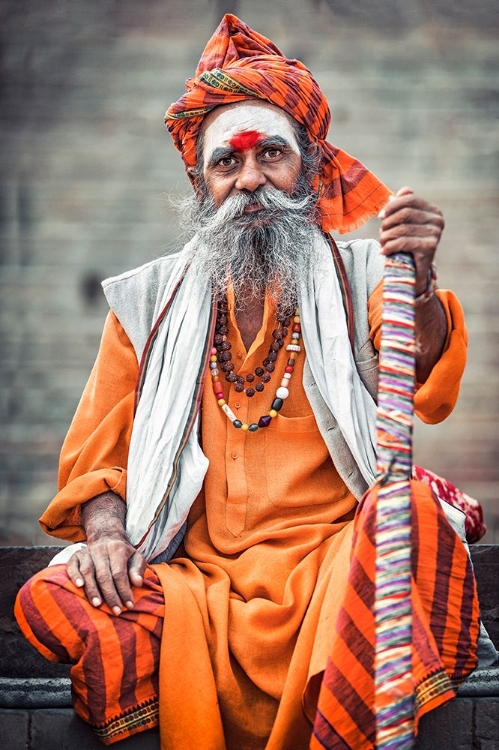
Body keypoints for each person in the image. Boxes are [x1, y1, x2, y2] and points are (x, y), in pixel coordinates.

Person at [15, 14, 490, 750]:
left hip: (335, 572)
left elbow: (422, 377)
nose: (250, 181)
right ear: (201, 185)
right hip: (194, 590)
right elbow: (96, 462)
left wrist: (418, 283)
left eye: (271, 156)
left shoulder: (367, 275)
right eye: (225, 165)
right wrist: (106, 537)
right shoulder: (147, 305)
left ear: (308, 169)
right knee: (58, 597)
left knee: (411, 519)